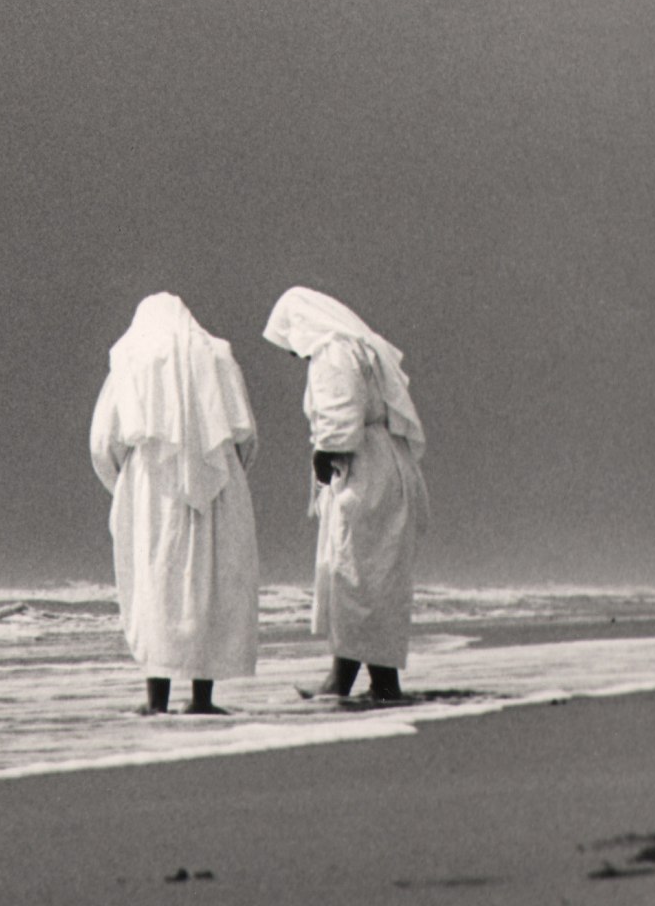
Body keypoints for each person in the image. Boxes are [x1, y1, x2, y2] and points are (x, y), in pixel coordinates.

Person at [87, 292, 261, 715]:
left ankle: (156, 701)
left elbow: (102, 441)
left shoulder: (131, 356)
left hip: (153, 488)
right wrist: (229, 478)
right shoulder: (218, 355)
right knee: (209, 585)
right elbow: (246, 436)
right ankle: (203, 700)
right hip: (220, 483)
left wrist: (124, 485)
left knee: (156, 584)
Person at [261, 286, 429, 704]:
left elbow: (340, 418)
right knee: (372, 580)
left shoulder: (332, 353)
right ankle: (376, 682)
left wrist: (324, 457)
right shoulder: (356, 347)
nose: (291, 352)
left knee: (353, 575)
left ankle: (350, 681)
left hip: (364, 474)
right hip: (384, 467)